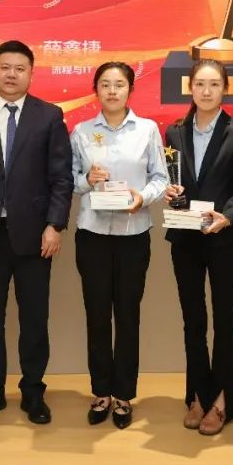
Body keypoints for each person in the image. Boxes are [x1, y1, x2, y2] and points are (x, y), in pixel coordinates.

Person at [0, 40, 73, 425]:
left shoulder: (49, 116)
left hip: (35, 236)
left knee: (34, 320)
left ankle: (33, 392)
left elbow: (61, 178)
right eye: (5, 67)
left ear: (31, 73)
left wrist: (54, 225)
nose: (11, 74)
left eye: (19, 68)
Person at [70, 61, 168, 428]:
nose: (112, 91)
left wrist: (142, 197)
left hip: (133, 234)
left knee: (127, 315)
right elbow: (69, 180)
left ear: (130, 90)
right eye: (105, 85)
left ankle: (124, 394)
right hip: (92, 234)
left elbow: (161, 177)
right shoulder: (81, 131)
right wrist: (87, 179)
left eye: (119, 84)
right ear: (96, 90)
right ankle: (101, 392)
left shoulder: (147, 130)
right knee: (96, 315)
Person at [163, 58, 233, 435]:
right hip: (185, 238)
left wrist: (227, 216)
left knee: (224, 320)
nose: (206, 91)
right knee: (193, 321)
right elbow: (175, 183)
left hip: (224, 238)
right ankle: (197, 396)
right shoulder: (174, 131)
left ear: (225, 89)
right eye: (200, 83)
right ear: (190, 88)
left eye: (214, 84)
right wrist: (171, 194)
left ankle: (223, 400)